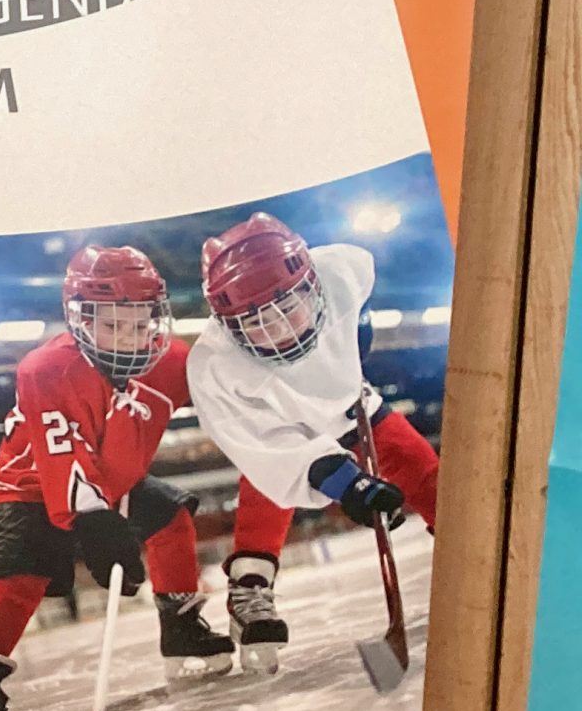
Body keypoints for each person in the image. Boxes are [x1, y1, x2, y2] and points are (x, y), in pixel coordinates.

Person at [0, 244, 237, 711]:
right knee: (22, 572)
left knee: (170, 518)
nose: (130, 337)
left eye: (140, 323)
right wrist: (95, 521)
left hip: (113, 478)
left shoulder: (172, 360)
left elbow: (228, 390)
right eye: (113, 325)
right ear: (80, 319)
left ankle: (181, 629)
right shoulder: (45, 369)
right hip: (34, 482)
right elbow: (64, 455)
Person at [186, 213, 440, 672]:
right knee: (267, 489)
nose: (279, 328)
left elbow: (361, 278)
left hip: (355, 410)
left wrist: (359, 325)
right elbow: (272, 452)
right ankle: (250, 586)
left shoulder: (341, 269)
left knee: (431, 479)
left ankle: (479, 555)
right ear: (227, 325)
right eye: (257, 321)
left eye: (288, 307)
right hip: (288, 429)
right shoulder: (215, 366)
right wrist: (350, 486)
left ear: (313, 285)